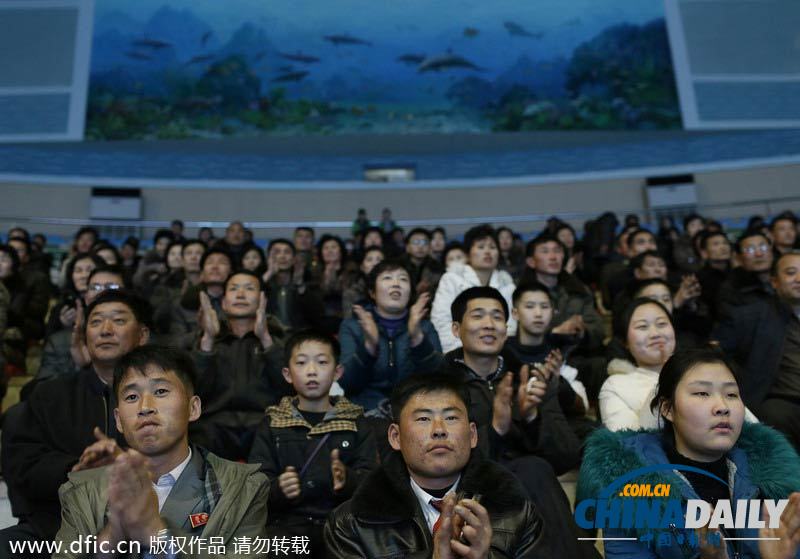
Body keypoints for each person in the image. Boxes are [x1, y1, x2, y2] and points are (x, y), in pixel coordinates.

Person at [579, 347, 800, 559]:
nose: (722, 406)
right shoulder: (630, 487)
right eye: (702, 393)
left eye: (732, 394)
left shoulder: (776, 479)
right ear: (667, 409)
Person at [52, 345, 269, 559]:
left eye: (161, 391)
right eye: (131, 397)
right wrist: (114, 533)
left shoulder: (243, 486)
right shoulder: (80, 491)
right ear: (118, 419)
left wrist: (157, 533)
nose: (145, 407)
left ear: (193, 408)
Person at [324, 373, 544, 558]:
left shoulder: (517, 511)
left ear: (473, 435)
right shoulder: (351, 523)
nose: (439, 429)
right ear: (395, 437)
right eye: (423, 419)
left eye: (450, 418)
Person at [0, 291, 151, 553]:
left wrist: (126, 464)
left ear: (142, 335)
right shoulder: (50, 395)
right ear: (84, 337)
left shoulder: (164, 394)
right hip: (58, 526)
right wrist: (76, 470)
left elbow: (188, 459)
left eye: (118, 320)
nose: (105, 330)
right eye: (95, 322)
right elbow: (26, 467)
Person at [249, 330, 377, 558]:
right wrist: (278, 488)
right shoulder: (273, 422)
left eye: (321, 362)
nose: (311, 371)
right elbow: (254, 487)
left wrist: (348, 480)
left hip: (342, 529)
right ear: (287, 374)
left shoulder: (355, 421)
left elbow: (374, 484)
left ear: (337, 372)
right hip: (287, 530)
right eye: (301, 362)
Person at [191, 271, 289, 459]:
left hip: (265, 423)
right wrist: (208, 340)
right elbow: (194, 391)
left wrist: (266, 340)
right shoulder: (203, 341)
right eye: (234, 289)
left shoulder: (280, 341)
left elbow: (288, 388)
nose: (241, 294)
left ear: (263, 301)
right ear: (224, 302)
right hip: (213, 425)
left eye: (249, 288)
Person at [714, 251, 800, 450]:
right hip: (783, 401)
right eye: (790, 273)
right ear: (775, 282)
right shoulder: (750, 316)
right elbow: (716, 351)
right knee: (775, 415)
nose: (798, 279)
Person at [339, 259, 443, 409]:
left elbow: (439, 381)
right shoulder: (353, 326)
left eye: (403, 279)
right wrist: (369, 347)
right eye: (387, 278)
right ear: (372, 292)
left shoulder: (424, 326)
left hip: (414, 410)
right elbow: (348, 384)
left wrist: (418, 339)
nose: (396, 283)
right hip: (364, 412)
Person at [504, 282, 595, 440]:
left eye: (545, 307)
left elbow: (582, 407)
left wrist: (557, 382)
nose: (538, 313)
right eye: (530, 306)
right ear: (515, 313)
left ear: (552, 312)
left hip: (561, 423)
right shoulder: (503, 351)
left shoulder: (561, 349)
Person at [431, 225, 516, 353]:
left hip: (497, 354)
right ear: (468, 254)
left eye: (492, 247)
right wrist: (467, 352)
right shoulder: (452, 279)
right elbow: (441, 322)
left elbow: (510, 327)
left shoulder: (507, 285)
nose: (487, 252)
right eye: (481, 247)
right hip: (457, 352)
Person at [36, 265, 126, 382]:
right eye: (95, 287)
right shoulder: (61, 342)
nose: (102, 292)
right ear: (86, 297)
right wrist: (81, 368)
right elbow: (38, 392)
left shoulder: (142, 338)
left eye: (111, 286)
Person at [262, 238, 324, 332]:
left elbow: (317, 315)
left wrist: (299, 283)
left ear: (294, 258)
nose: (282, 256)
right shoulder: (263, 283)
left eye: (287, 252)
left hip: (300, 338)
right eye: (277, 252)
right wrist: (268, 274)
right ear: (269, 257)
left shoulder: (310, 284)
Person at [341, 246, 384, 319]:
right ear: (362, 267)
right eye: (369, 260)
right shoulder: (351, 293)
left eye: (379, 259)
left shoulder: (392, 289)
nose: (375, 263)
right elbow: (348, 323)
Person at [401, 227, 445, 295]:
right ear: (407, 247)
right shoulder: (399, 266)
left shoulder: (437, 268)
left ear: (430, 247)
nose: (420, 246)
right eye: (416, 242)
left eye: (424, 242)